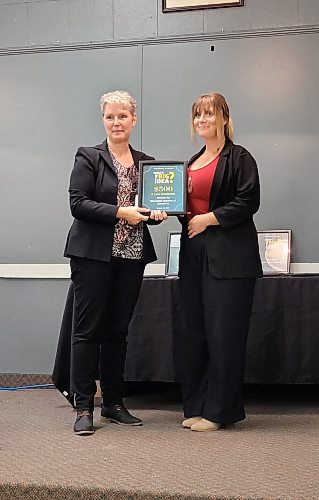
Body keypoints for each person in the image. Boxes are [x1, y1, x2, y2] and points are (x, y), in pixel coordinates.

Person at [63, 90, 167, 435]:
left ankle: (113, 403)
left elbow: (148, 209)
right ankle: (83, 407)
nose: (116, 122)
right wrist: (120, 212)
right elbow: (78, 203)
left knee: (118, 333)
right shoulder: (89, 157)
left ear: (133, 120)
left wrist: (157, 214)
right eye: (110, 116)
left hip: (132, 255)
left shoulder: (146, 163)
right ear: (103, 120)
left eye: (122, 116)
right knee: (87, 331)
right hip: (92, 256)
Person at [178, 92, 262, 432]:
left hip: (230, 258)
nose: (202, 121)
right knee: (195, 332)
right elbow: (187, 209)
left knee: (224, 334)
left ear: (224, 118)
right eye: (197, 115)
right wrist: (175, 208)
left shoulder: (239, 158)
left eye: (209, 114)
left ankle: (219, 412)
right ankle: (196, 406)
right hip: (194, 254)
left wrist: (208, 219)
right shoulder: (192, 161)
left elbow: (249, 200)